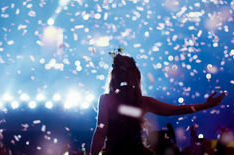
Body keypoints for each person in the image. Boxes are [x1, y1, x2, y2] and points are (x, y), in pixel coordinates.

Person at [90, 54, 226, 155]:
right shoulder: (143, 102)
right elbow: (176, 110)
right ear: (136, 78)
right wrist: (206, 105)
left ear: (113, 77)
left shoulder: (106, 100)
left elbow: (100, 132)